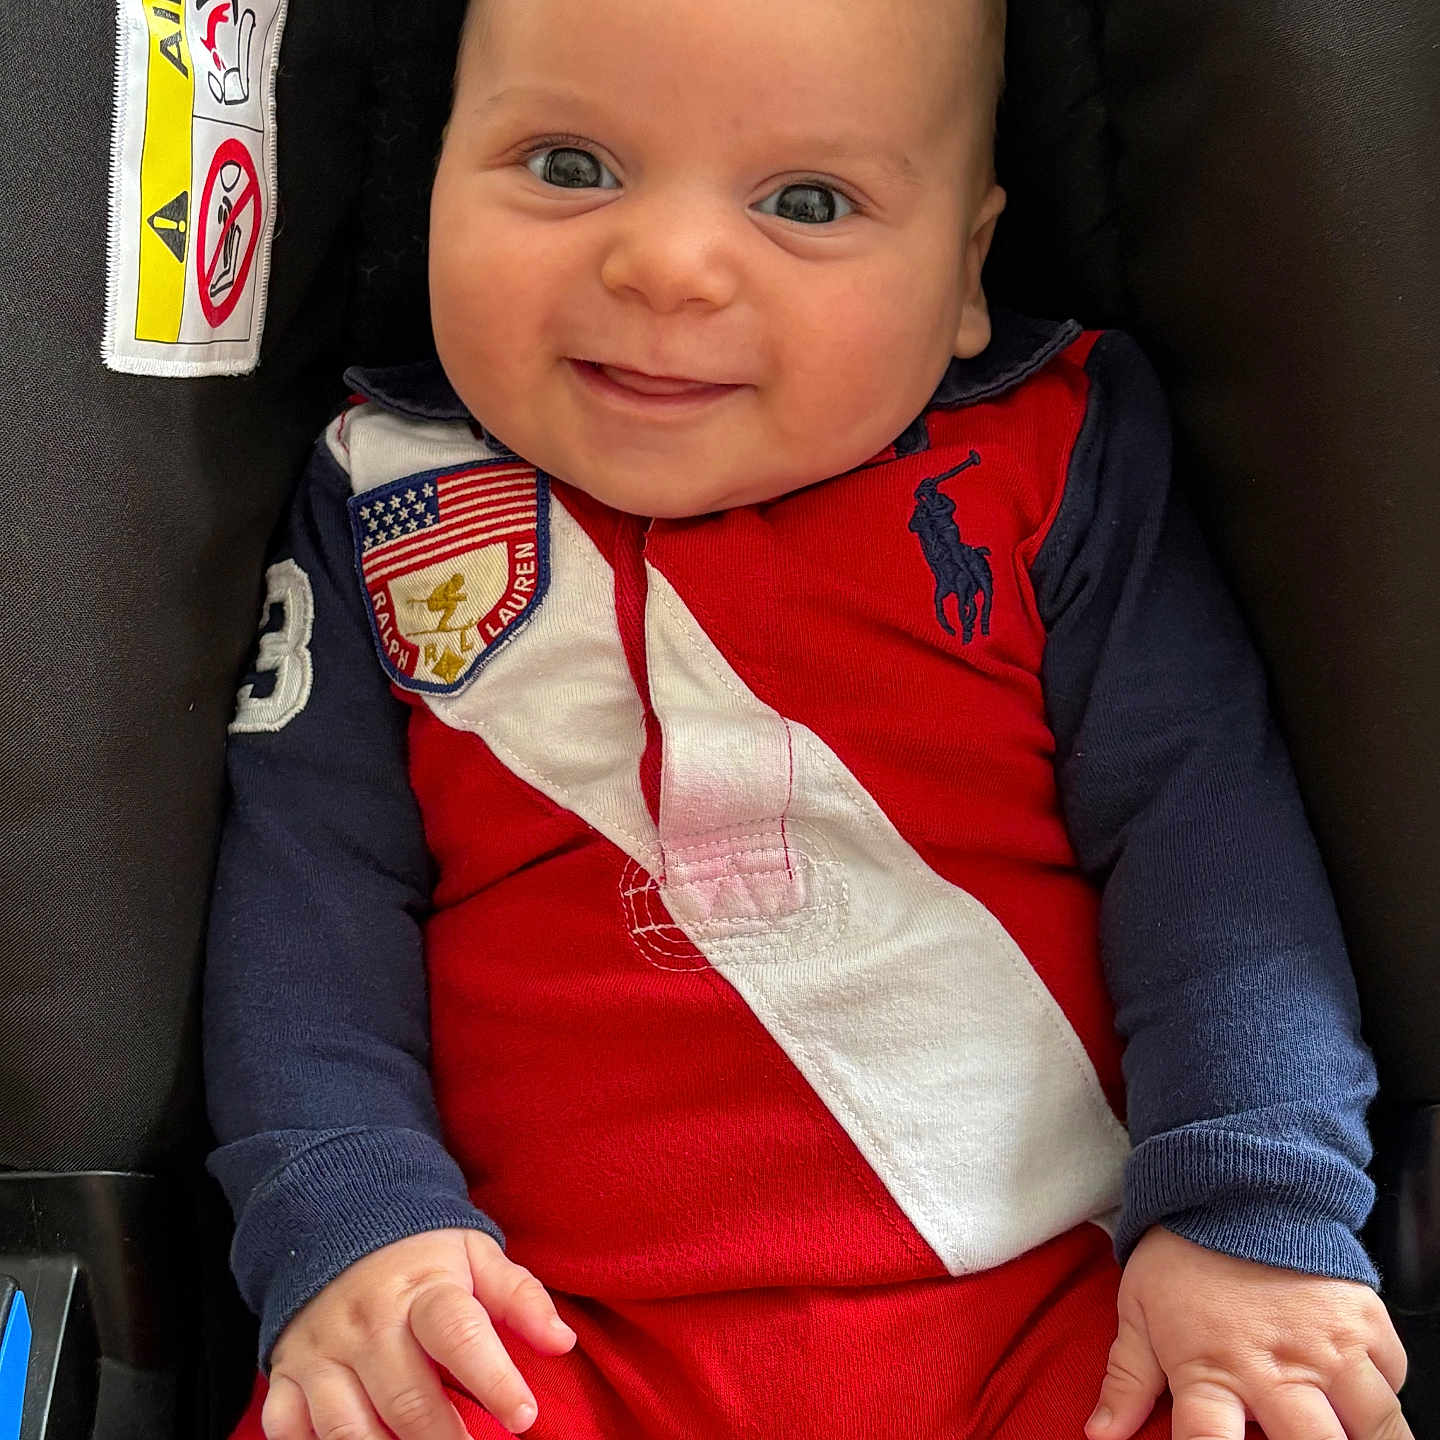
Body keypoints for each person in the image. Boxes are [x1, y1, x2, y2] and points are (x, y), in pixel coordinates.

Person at [204, 0, 1412, 1436]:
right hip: (535, 1329)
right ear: (440, 168)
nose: (663, 264)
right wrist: (347, 1217)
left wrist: (1250, 1211)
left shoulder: (1050, 458)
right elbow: (306, 898)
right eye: (568, 165)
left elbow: (1207, 844)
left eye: (807, 201)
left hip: (1067, 1307)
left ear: (965, 271)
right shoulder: (379, 492)